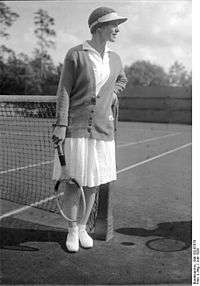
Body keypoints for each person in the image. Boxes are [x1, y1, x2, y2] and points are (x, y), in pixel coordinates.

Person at [52, 7, 128, 252]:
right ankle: (72, 230)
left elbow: (121, 80)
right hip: (76, 128)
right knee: (74, 184)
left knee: (93, 184)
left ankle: (83, 227)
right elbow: (63, 91)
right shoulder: (75, 54)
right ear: (98, 26)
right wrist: (61, 125)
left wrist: (114, 94)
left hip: (103, 131)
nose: (117, 29)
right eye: (113, 25)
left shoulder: (115, 58)